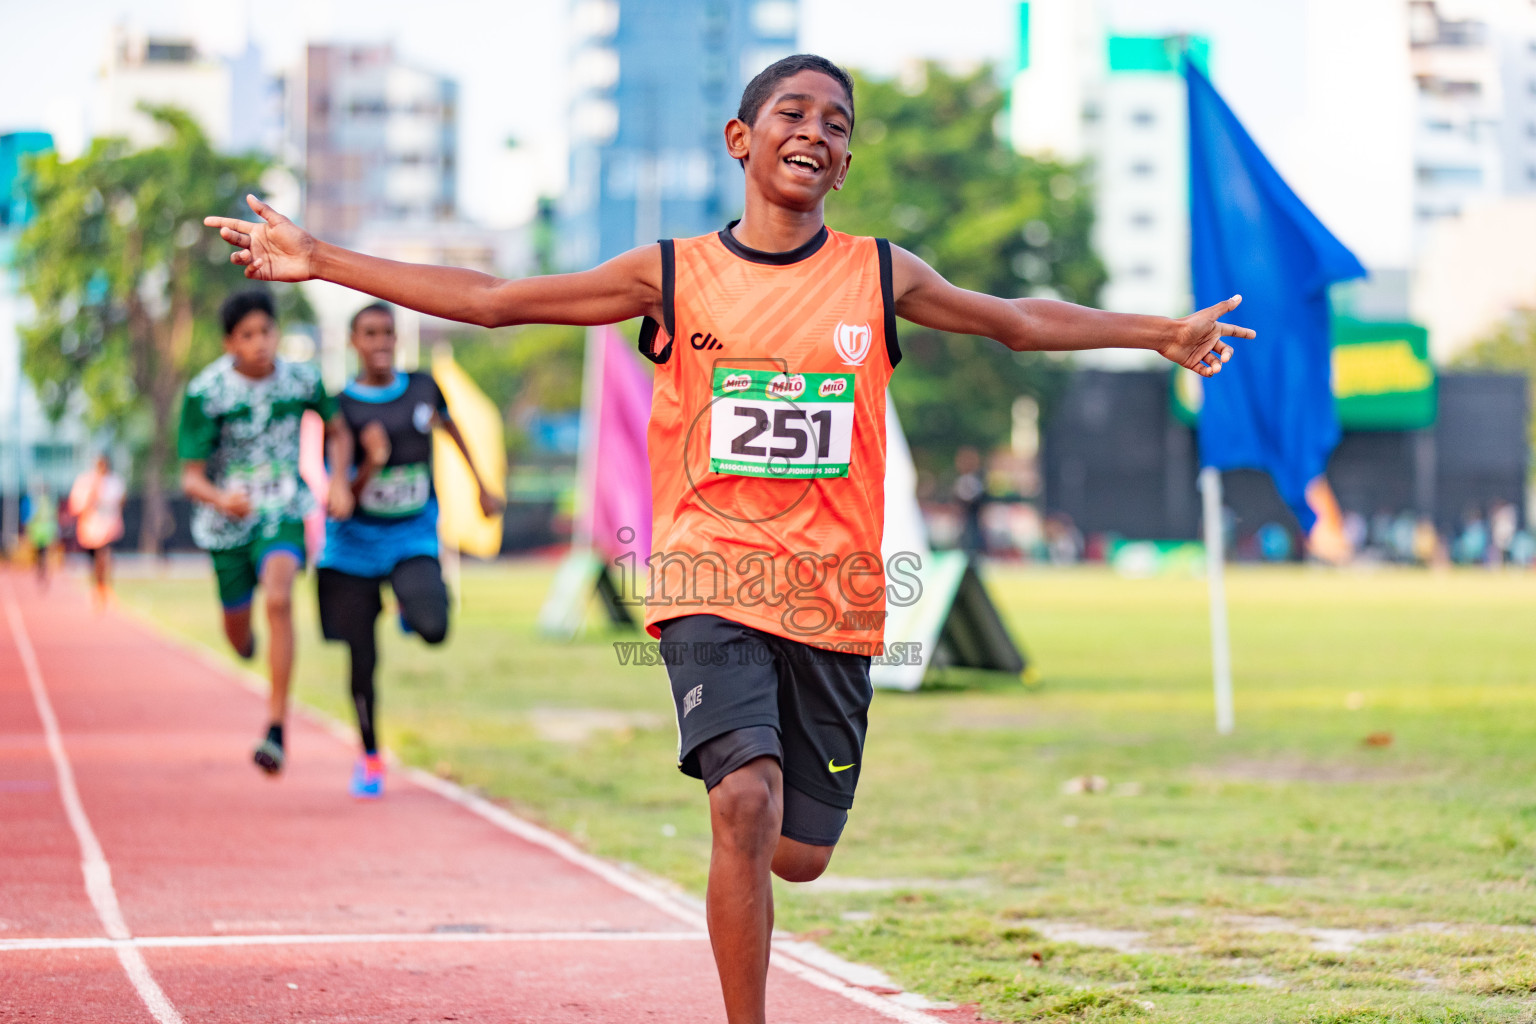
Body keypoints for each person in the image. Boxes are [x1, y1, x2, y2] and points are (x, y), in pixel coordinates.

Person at [206, 53, 1250, 1024]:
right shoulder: (671, 274)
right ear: (738, 139)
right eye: (791, 114)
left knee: (797, 852)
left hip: (836, 599)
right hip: (707, 576)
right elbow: (493, 300)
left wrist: (1160, 332)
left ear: (845, 160)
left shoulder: (881, 276)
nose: (816, 132)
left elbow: (1016, 319)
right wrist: (322, 259)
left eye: (837, 124)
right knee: (742, 803)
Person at [318, 302, 503, 798]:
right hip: (353, 546)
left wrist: (482, 484)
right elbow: (341, 503)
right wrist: (369, 466)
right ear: (353, 342)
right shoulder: (341, 408)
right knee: (361, 659)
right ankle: (371, 756)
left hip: (412, 535)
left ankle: (405, 602)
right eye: (369, 334)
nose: (380, 342)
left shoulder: (422, 388)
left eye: (387, 333)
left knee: (435, 629)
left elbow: (451, 427)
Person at [177, 289, 354, 776]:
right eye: (248, 336)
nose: (260, 343)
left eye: (267, 332)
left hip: (283, 509)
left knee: (279, 600)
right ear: (229, 343)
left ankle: (276, 728)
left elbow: (337, 430)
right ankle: (245, 641)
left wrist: (337, 478)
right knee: (238, 636)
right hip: (227, 521)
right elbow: (190, 476)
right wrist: (220, 498)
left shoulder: (302, 380)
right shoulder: (206, 393)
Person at [69, 454, 127, 608]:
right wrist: (91, 496)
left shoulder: (114, 481)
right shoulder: (85, 481)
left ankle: (105, 588)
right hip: (90, 530)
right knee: (94, 561)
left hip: (107, 529)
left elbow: (121, 500)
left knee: (105, 557)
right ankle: (97, 588)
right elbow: (76, 505)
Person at [25, 479, 58, 590]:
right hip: (43, 531)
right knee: (42, 554)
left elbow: (33, 517)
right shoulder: (46, 501)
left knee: (42, 554)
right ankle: (42, 571)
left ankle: (42, 572)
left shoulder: (40, 501)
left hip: (42, 531)